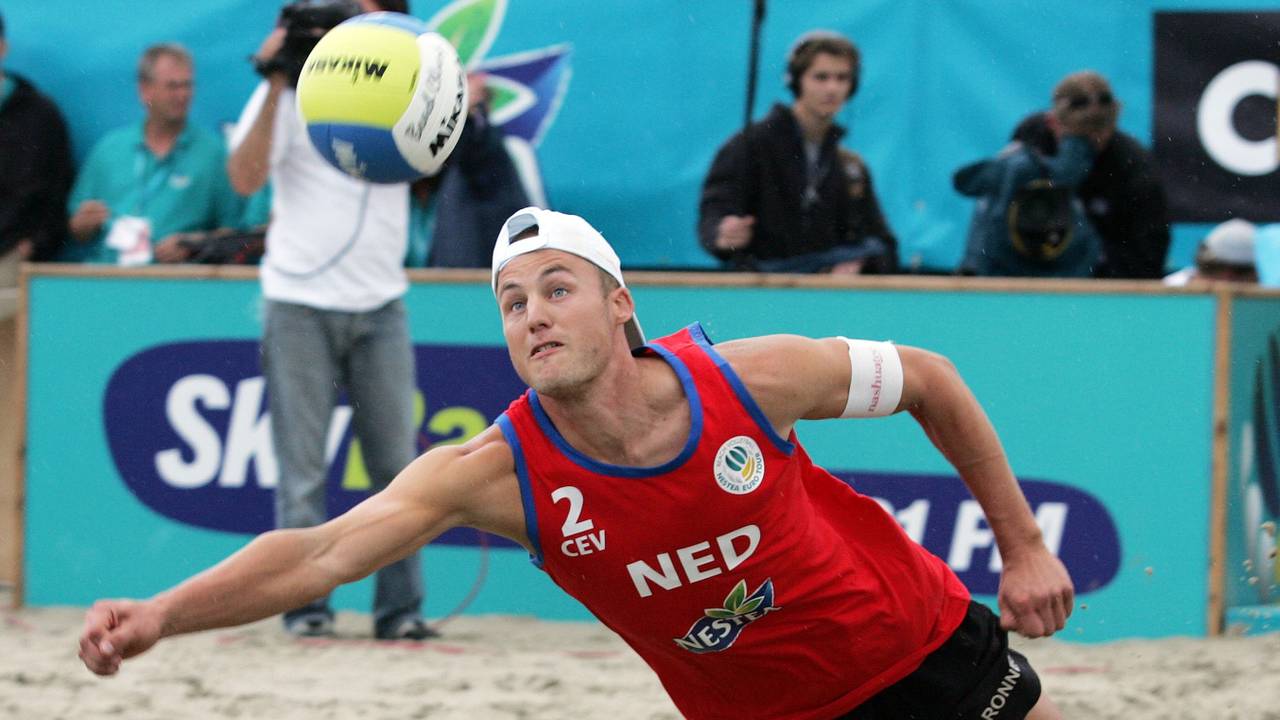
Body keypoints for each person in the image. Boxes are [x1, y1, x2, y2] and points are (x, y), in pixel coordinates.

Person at [81, 205, 1073, 719]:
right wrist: (163, 614)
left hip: (920, 659)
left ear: (619, 306)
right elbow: (317, 555)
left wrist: (1021, 547)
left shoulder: (747, 381)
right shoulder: (494, 471)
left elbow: (930, 380)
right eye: (512, 303)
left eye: (557, 288)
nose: (533, 314)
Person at [225, 0, 430, 640]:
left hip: (380, 299)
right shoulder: (297, 92)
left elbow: (439, 157)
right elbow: (244, 176)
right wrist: (277, 76)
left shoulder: (406, 82)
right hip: (299, 300)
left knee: (401, 469)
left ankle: (400, 611)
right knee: (302, 471)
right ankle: (305, 608)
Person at [698, 30, 898, 274]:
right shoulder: (749, 145)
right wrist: (722, 234)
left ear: (852, 85)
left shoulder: (850, 166)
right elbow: (714, 216)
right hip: (758, 295)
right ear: (796, 80)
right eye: (821, 77)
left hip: (824, 301)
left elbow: (885, 244)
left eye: (842, 78)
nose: (832, 88)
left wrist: (857, 263)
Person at [62, 43, 243, 266]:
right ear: (145, 90)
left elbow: (235, 233)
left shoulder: (214, 153)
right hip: (109, 278)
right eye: (172, 86)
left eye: (187, 85)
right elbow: (76, 230)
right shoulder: (109, 149)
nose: (182, 95)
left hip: (178, 284)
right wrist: (83, 224)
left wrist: (195, 245)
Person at [1009, 71, 1171, 279]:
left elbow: (1147, 259)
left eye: (1098, 135)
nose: (1087, 147)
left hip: (1101, 284)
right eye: (1079, 137)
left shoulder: (1135, 170)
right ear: (1052, 123)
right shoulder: (1030, 141)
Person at [953, 75, 1105, 278]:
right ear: (1052, 122)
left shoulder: (1124, 160)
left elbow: (964, 181)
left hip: (1048, 271)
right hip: (1024, 267)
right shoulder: (1024, 157)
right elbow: (966, 183)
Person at [417, 72, 532, 268]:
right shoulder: (447, 145)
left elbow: (476, 157)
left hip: (485, 258)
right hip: (453, 259)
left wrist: (467, 114)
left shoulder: (486, 138)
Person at [0, 10, 74, 268]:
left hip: (11, 257)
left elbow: (59, 192)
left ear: (3, 47)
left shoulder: (40, 116)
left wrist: (35, 245)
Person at [1163, 218, 1257, 286]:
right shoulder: (1166, 292)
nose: (1224, 284)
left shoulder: (1269, 300)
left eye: (1241, 272)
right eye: (1212, 269)